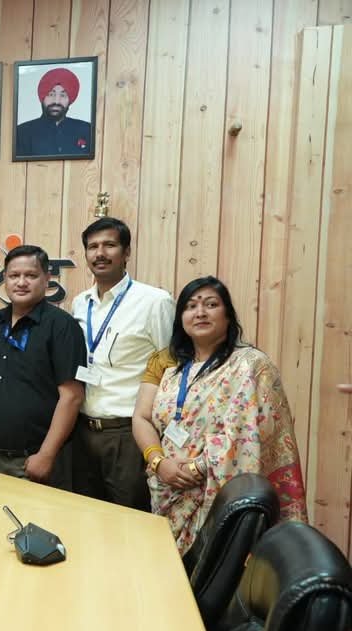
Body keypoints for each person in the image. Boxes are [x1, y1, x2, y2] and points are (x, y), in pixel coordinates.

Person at [134, 277, 307, 554]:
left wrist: (194, 469)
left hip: (218, 494)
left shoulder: (250, 365)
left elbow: (249, 437)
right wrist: (160, 464)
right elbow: (144, 418)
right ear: (181, 319)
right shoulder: (172, 370)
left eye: (211, 304)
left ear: (228, 316)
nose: (200, 312)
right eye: (191, 306)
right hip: (167, 489)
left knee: (216, 573)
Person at [70, 217, 174, 510]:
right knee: (85, 517)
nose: (100, 253)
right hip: (83, 431)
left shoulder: (154, 301)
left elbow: (172, 370)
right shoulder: (80, 303)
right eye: (93, 247)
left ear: (126, 252)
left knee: (130, 519)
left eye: (109, 245)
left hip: (129, 435)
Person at [0, 245, 85, 488]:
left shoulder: (62, 326)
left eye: (31, 275)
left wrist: (46, 455)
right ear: (4, 278)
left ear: (47, 278)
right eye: (14, 275)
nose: (21, 282)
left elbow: (72, 397)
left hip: (36, 460)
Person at [15, 67, 93, 158]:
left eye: (63, 95)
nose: (56, 101)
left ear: (70, 100)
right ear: (42, 97)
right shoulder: (22, 132)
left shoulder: (87, 130)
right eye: (51, 94)